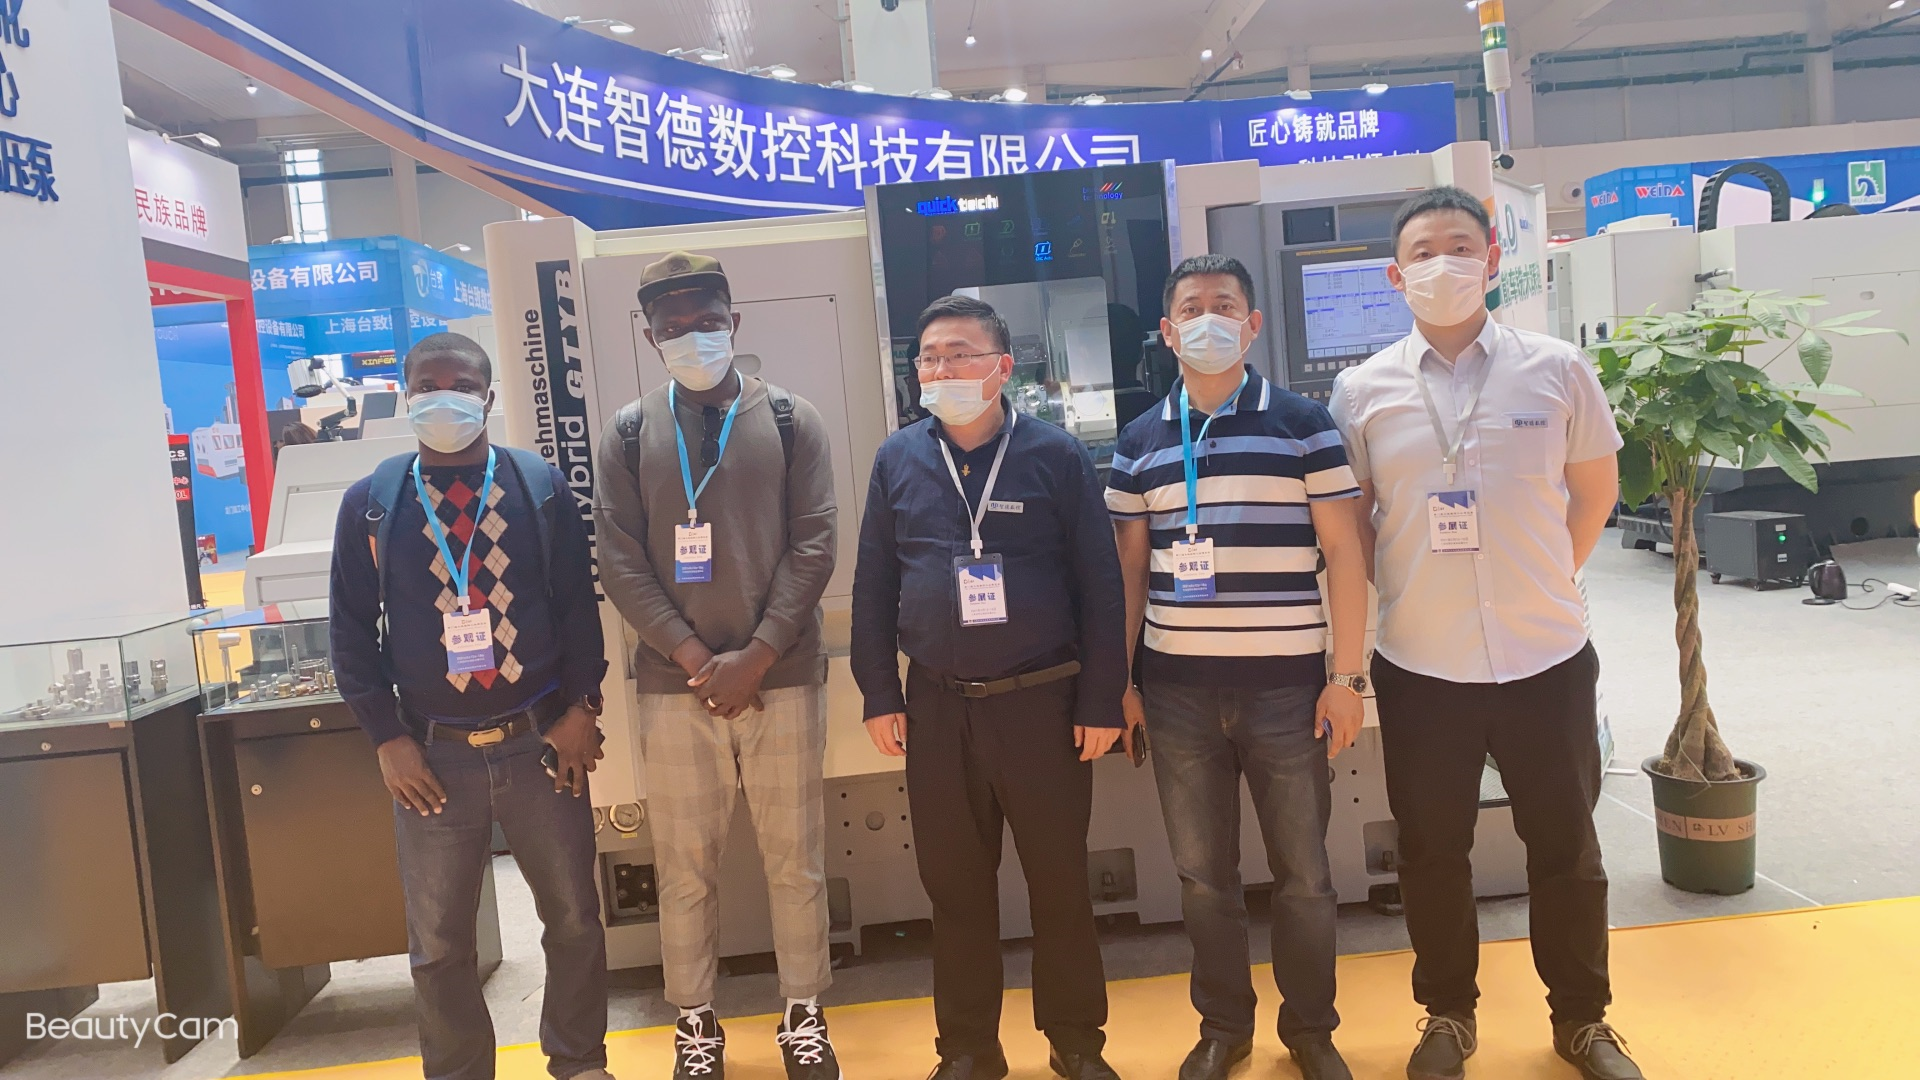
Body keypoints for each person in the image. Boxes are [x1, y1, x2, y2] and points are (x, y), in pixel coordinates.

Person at [1328, 187, 1641, 1080]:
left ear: (1493, 259)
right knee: (1432, 852)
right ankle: (1447, 1016)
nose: (1443, 264)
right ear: (1396, 276)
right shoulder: (1363, 390)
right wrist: (1389, 614)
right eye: (1423, 252)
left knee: (1567, 849)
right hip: (1423, 664)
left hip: (1547, 656)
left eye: (1460, 247)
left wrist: (1543, 577)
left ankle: (1582, 1020)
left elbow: (1596, 493)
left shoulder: (1557, 369)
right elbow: (1352, 523)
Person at [851, 295, 1128, 1080]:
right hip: (937, 707)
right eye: (930, 356)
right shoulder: (898, 458)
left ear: (1003, 367)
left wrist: (1102, 698)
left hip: (1043, 702)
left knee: (1060, 884)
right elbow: (874, 584)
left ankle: (1076, 1041)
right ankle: (969, 1047)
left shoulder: (1055, 455)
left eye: (960, 354)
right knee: (955, 889)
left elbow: (1100, 584)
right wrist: (879, 691)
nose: (942, 368)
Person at [1106, 255, 1367, 1080]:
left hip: (1288, 690)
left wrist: (1347, 678)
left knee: (1305, 875)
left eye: (1225, 305)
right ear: (1167, 330)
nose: (1208, 319)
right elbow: (1129, 573)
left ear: (1252, 325)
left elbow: (1345, 553)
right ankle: (1224, 1027)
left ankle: (1311, 1028)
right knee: (1203, 878)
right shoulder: (1140, 441)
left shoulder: (1302, 424)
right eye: (1191, 308)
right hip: (1176, 694)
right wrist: (1121, 684)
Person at [328, 332, 614, 1080]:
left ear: (488, 398)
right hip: (432, 757)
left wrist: (582, 708)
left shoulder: (537, 487)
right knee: (439, 945)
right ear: (405, 394)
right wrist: (386, 737)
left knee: (575, 920)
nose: (443, 397)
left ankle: (579, 1061)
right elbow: (350, 631)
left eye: (460, 384)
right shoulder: (373, 504)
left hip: (540, 746)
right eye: (427, 385)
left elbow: (577, 607)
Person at [593, 252, 842, 1080]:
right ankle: (696, 1023)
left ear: (733, 323)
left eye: (705, 322)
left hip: (784, 676)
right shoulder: (629, 432)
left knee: (796, 861)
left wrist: (758, 654)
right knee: (683, 868)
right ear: (650, 336)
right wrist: (697, 656)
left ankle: (803, 1013)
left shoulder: (794, 420)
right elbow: (619, 561)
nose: (691, 337)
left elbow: (815, 544)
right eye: (673, 327)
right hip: (676, 686)